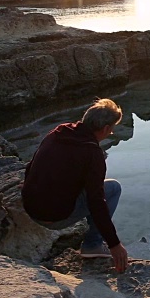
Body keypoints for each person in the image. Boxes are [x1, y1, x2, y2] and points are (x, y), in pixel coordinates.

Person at [22, 98, 128, 273]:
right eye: (111, 130)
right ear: (105, 129)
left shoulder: (57, 132)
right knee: (112, 188)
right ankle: (92, 245)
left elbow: (30, 166)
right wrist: (114, 244)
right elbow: (97, 202)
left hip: (30, 206)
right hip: (52, 217)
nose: (110, 134)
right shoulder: (93, 154)